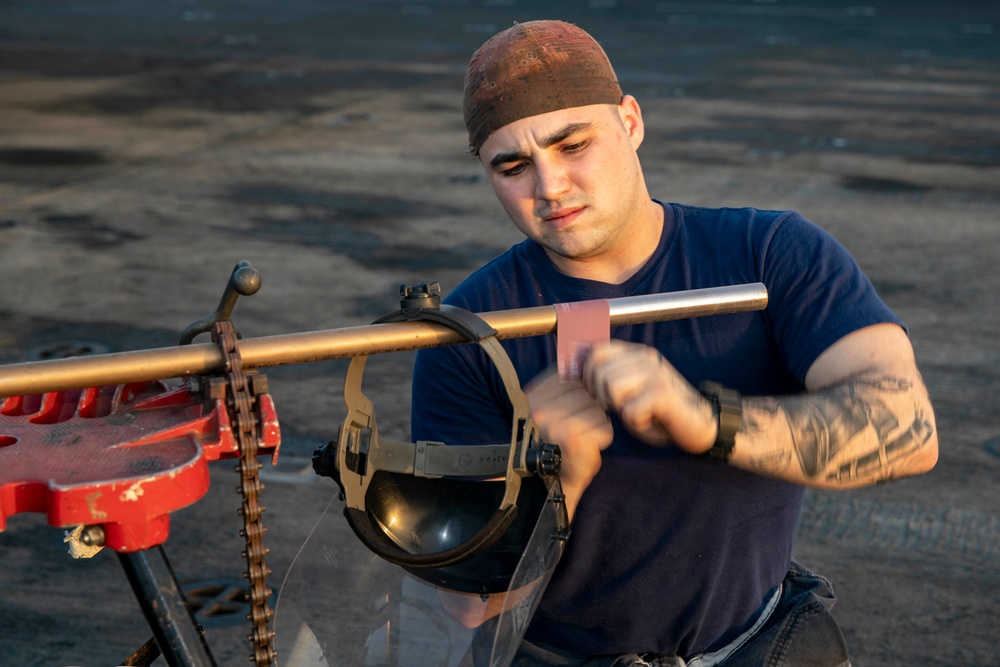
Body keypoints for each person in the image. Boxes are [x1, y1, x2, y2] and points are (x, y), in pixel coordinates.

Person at [410, 19, 938, 667]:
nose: (548, 187)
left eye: (573, 144)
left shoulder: (769, 254)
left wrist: (708, 420)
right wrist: (553, 480)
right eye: (513, 166)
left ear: (630, 122)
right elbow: (468, 606)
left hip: (752, 646)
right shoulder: (469, 330)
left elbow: (908, 427)